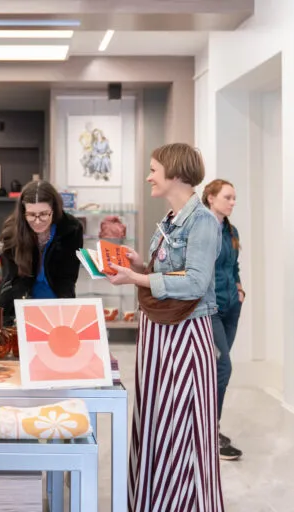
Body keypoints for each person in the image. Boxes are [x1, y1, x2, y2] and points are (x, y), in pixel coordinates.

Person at [105, 143, 223, 511]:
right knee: (158, 421)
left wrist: (137, 280)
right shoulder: (172, 218)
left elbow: (194, 284)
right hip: (160, 333)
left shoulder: (201, 221)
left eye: (154, 169)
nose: (149, 176)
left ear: (174, 172)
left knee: (182, 425)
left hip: (184, 337)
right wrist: (140, 265)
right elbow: (168, 273)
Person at [0, 180, 83, 325]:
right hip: (18, 301)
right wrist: (25, 307)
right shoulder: (11, 231)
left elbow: (68, 276)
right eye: (31, 215)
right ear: (23, 212)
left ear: (54, 210)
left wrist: (64, 304)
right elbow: (15, 278)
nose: (37, 221)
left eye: (44, 214)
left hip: (56, 302)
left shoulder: (71, 229)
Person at [203, 178, 244, 461]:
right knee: (223, 367)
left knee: (217, 370)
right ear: (211, 198)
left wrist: (240, 289)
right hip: (211, 310)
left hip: (231, 308)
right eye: (228, 197)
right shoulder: (203, 230)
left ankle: (208, 426)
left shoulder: (231, 230)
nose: (232, 202)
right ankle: (209, 434)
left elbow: (234, 265)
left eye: (234, 198)